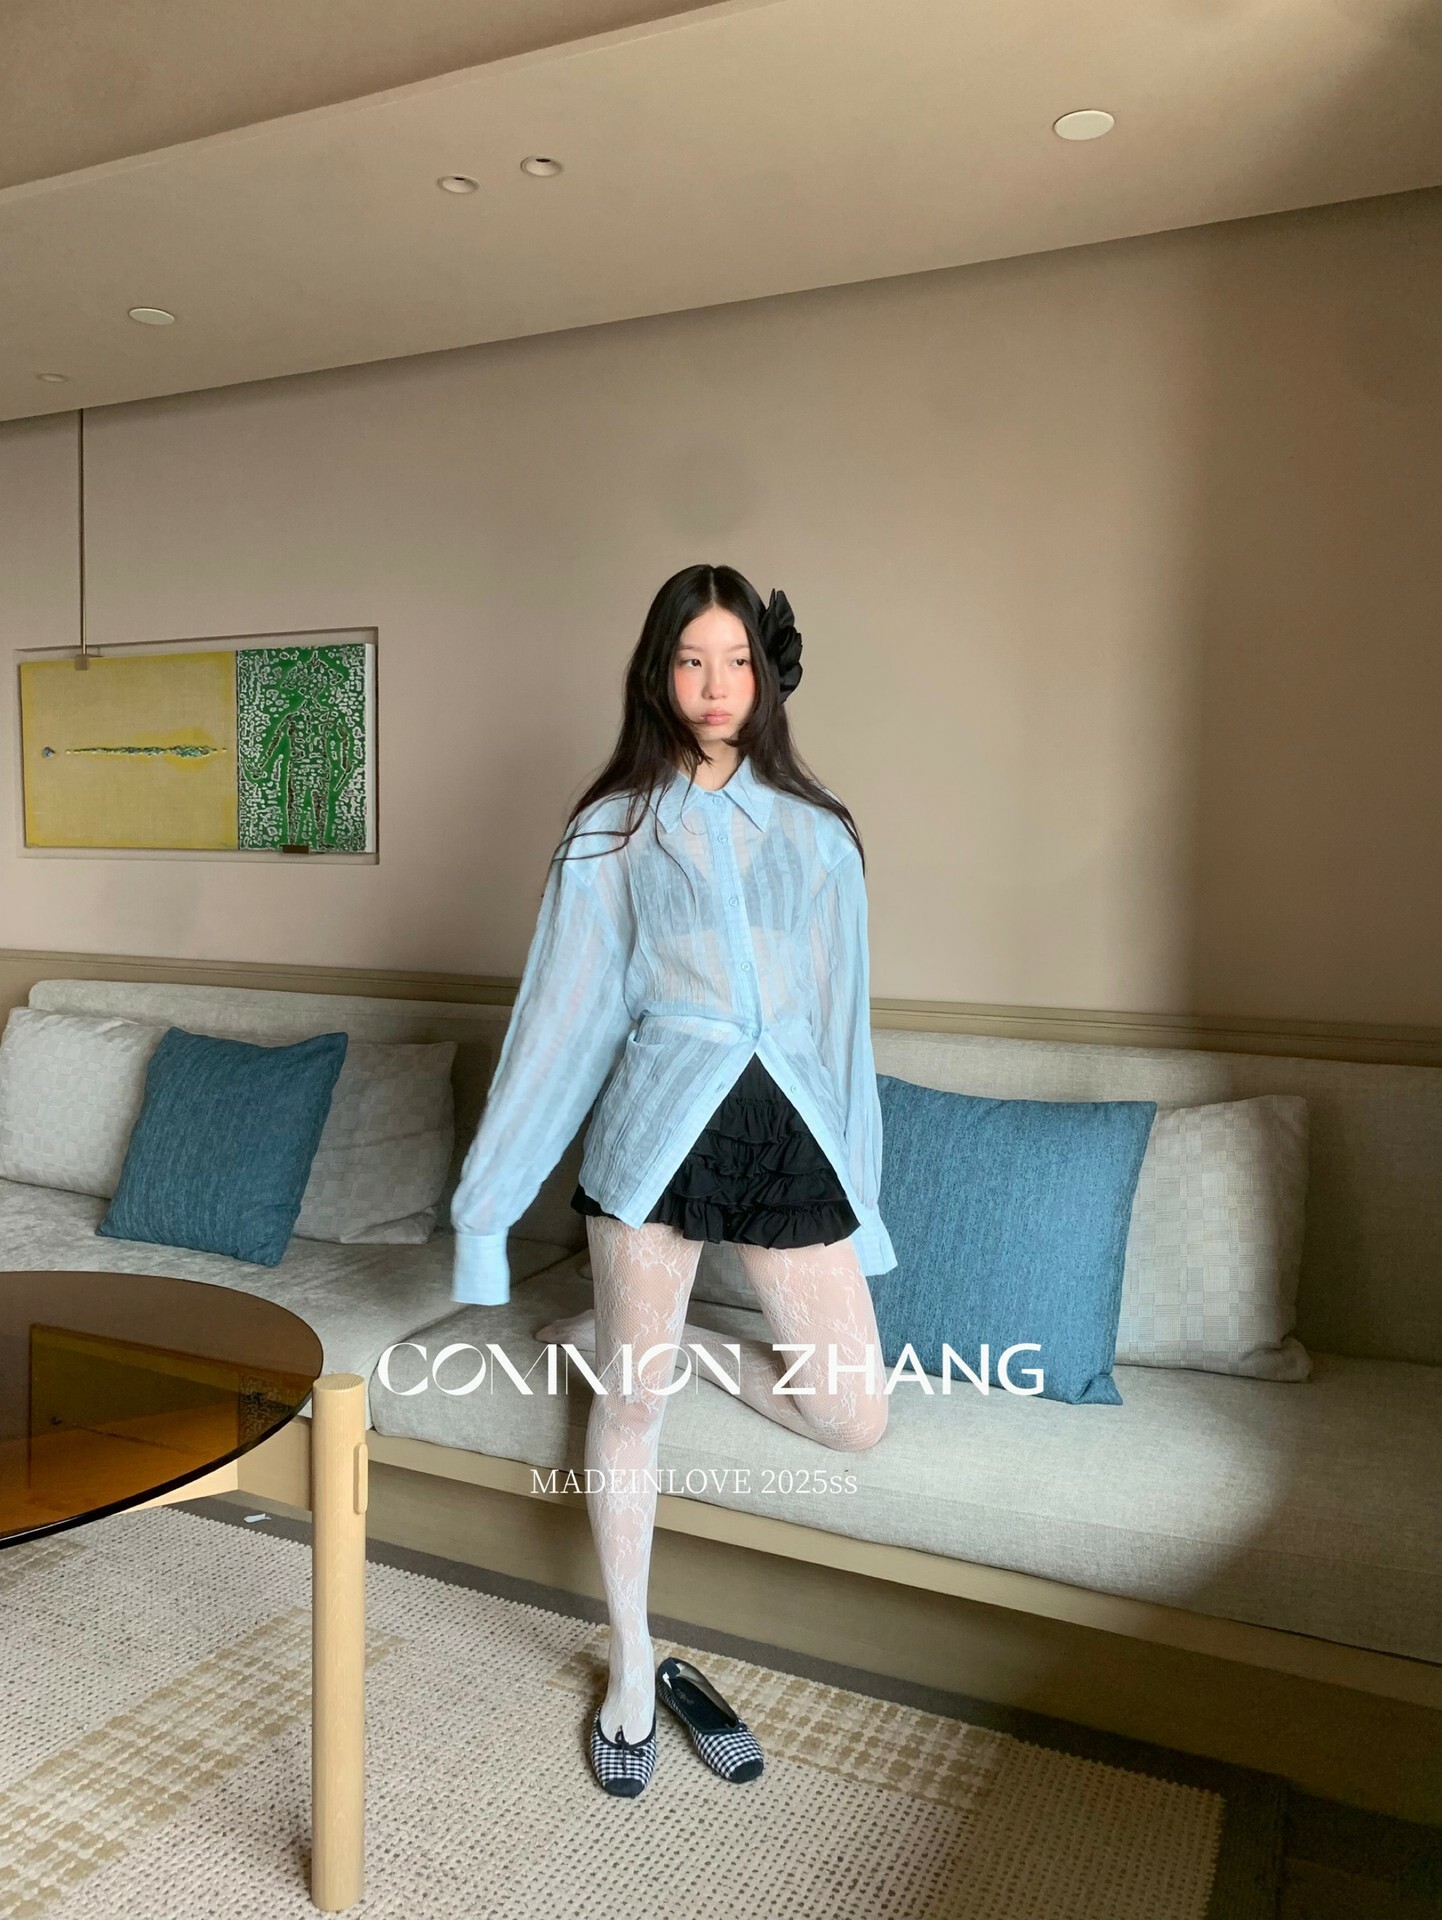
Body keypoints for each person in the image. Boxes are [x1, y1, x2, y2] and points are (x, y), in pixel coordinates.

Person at [449, 562, 896, 1791]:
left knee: (852, 1415)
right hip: (653, 1131)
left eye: (736, 660)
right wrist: (485, 1218)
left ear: (766, 675)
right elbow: (559, 1025)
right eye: (691, 660)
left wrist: (863, 1208)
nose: (714, 685)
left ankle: (672, 1343)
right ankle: (632, 1658)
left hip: (787, 1134)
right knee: (629, 1404)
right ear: (657, 672)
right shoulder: (612, 830)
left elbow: (841, 1032)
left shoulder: (817, 834)